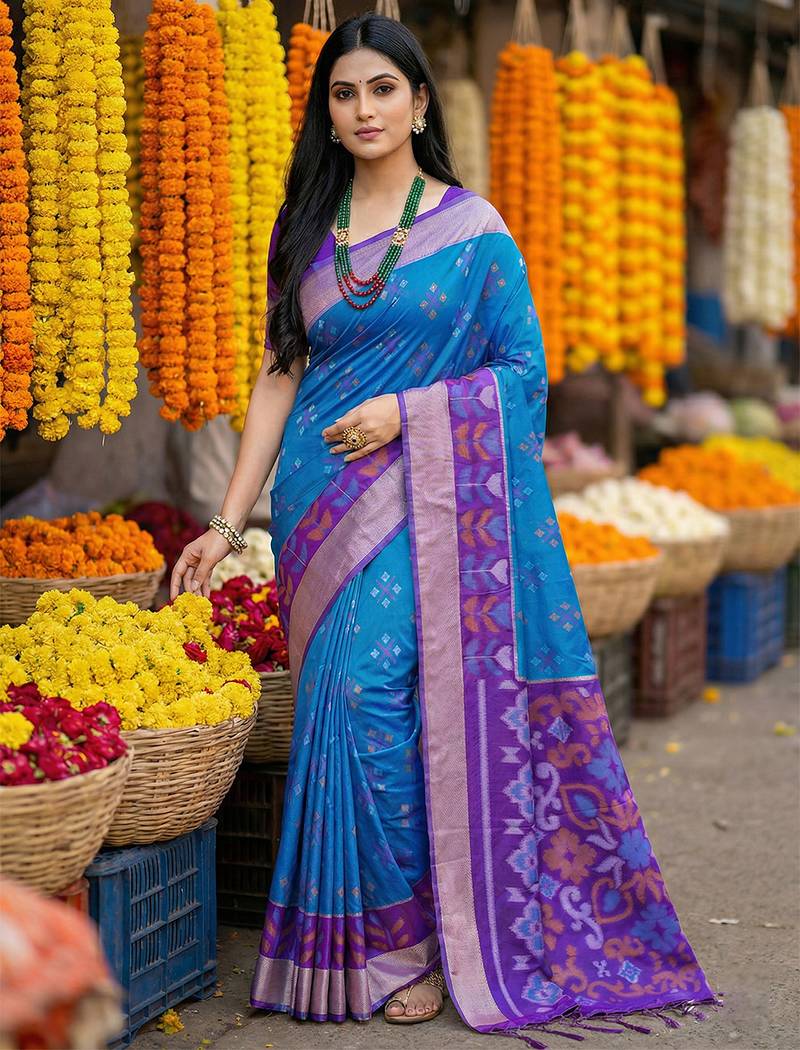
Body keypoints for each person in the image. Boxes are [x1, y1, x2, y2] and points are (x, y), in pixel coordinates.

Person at [171, 11, 717, 1043]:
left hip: (426, 497)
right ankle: (367, 940)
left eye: (382, 89)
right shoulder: (307, 227)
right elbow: (279, 374)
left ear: (419, 103)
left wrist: (407, 414)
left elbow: (523, 376)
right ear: (327, 115)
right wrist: (226, 521)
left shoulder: (473, 231)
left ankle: (417, 941)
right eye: (344, 94)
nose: (363, 109)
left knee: (377, 700)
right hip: (319, 509)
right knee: (340, 706)